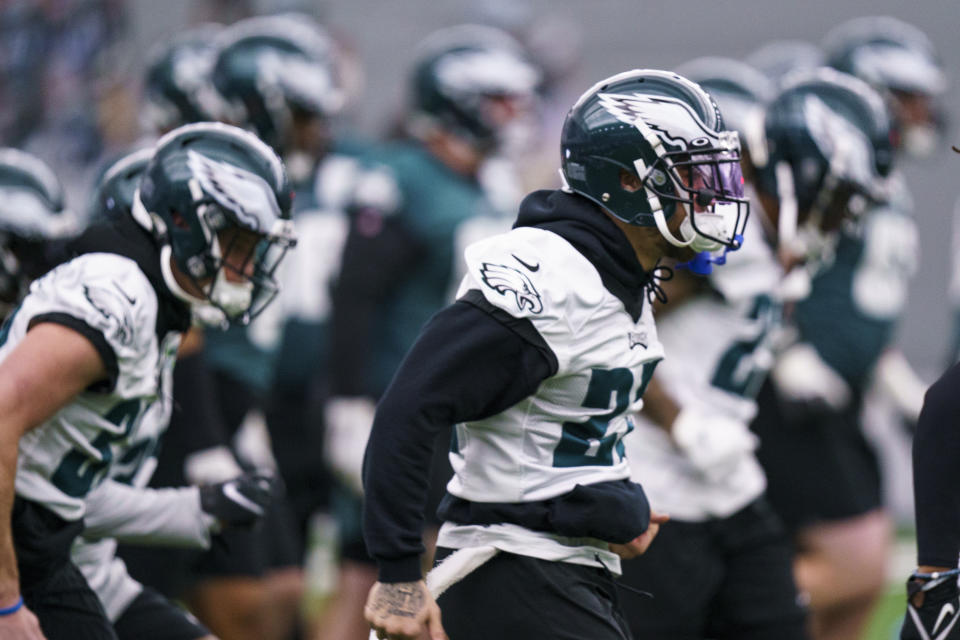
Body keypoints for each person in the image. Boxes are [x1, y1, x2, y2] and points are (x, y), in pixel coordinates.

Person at [361, 68, 750, 640]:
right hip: (512, 573)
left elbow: (546, 434)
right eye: (691, 174)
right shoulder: (550, 278)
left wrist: (611, 509)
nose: (711, 193)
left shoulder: (619, 273)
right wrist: (398, 574)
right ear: (625, 182)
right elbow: (411, 407)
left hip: (556, 570)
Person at [0, 121, 295, 640]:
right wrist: (4, 602)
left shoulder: (158, 312)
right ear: (186, 222)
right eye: (240, 243)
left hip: (49, 544)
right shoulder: (119, 296)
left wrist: (195, 510)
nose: (249, 267)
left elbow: (64, 489)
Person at [321, 24, 541, 640]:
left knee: (404, 573)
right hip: (406, 401)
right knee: (387, 574)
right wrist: (349, 405)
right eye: (500, 101)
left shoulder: (487, 180)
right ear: (454, 105)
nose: (515, 115)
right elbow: (355, 298)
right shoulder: (405, 179)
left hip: (457, 407)